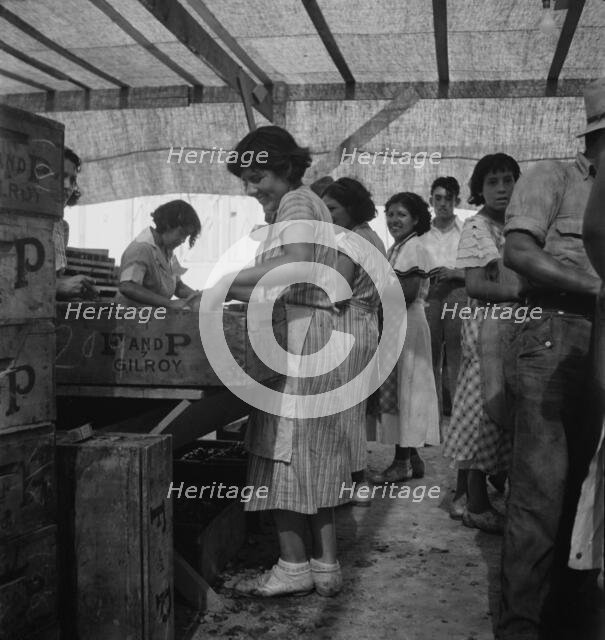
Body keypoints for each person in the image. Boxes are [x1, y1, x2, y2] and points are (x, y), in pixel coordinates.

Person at [206, 125, 348, 597]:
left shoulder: (297, 203)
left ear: (285, 168)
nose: (252, 188)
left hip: (301, 333)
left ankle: (292, 563)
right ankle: (324, 565)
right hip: (316, 329)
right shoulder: (307, 203)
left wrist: (225, 283)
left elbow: (296, 264)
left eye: (258, 176)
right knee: (312, 452)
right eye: (246, 180)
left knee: (281, 448)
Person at [497, 79, 605, 640]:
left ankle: (574, 620)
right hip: (552, 334)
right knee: (541, 493)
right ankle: (521, 628)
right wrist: (595, 287)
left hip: (601, 339)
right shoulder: (554, 177)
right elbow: (517, 252)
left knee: (593, 491)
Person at [443, 154, 521, 533]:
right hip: (487, 327)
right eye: (493, 182)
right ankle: (475, 503)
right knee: (482, 412)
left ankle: (462, 497)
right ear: (480, 188)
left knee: (492, 407)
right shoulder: (478, 228)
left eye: (508, 180)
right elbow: (475, 285)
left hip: (508, 327)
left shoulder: (516, 228)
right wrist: (521, 291)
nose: (502, 188)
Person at [321, 177, 387, 505]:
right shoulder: (372, 236)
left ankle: (354, 481)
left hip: (347, 325)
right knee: (354, 406)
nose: (328, 214)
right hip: (366, 325)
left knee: (343, 408)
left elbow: (337, 291)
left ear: (350, 207)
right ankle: (352, 477)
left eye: (332, 208)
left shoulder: (349, 242)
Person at [370, 192, 440, 483]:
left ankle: (401, 463)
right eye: (390, 214)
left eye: (401, 214)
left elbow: (408, 292)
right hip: (401, 323)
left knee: (407, 392)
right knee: (403, 391)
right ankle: (412, 458)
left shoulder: (413, 248)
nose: (394, 220)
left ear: (415, 219)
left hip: (408, 324)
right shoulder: (400, 247)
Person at [422, 176, 465, 421]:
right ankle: (431, 421)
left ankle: (461, 422)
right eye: (438, 198)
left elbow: (479, 266)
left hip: (459, 292)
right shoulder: (423, 231)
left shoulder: (468, 230)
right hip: (430, 293)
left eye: (448, 198)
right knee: (430, 357)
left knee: (459, 356)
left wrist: (456, 272)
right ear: (431, 200)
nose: (443, 204)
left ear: (457, 200)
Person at [117, 200, 201, 308]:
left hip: (152, 320)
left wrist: (197, 297)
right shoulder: (141, 248)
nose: (183, 240)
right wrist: (169, 303)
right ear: (167, 225)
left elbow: (178, 287)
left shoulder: (168, 252)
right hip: (131, 318)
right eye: (181, 233)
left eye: (186, 236)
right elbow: (127, 286)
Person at [55, 146, 98, 300]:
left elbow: (51, 279)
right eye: (61, 176)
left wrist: (74, 288)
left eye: (72, 180)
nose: (67, 186)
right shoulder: (16, 222)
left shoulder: (62, 228)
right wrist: (59, 287)